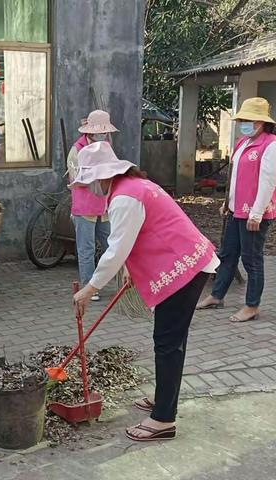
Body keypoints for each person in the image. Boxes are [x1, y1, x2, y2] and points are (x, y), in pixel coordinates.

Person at [72, 141, 220, 442]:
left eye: (89, 182)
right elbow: (136, 237)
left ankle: (163, 419)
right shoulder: (135, 185)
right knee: (171, 341)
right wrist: (130, 269)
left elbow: (115, 250)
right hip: (188, 261)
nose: (90, 189)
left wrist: (90, 289)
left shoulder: (125, 197)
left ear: (102, 176)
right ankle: (163, 398)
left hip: (184, 269)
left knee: (167, 342)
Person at [197, 97, 276, 322]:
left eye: (248, 119)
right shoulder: (242, 143)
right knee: (228, 255)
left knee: (252, 260)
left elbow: (268, 182)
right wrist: (227, 202)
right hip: (235, 210)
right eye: (242, 119)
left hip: (254, 214)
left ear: (260, 122)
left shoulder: (270, 144)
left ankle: (252, 306)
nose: (244, 123)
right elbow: (235, 177)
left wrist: (257, 213)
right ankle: (217, 295)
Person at [67, 110, 118, 301]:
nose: (103, 135)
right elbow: (74, 177)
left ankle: (123, 283)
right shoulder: (77, 149)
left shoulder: (106, 146)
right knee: (86, 250)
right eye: (100, 131)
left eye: (104, 131)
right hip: (84, 208)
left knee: (113, 246)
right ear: (89, 132)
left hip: (103, 206)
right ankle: (89, 287)